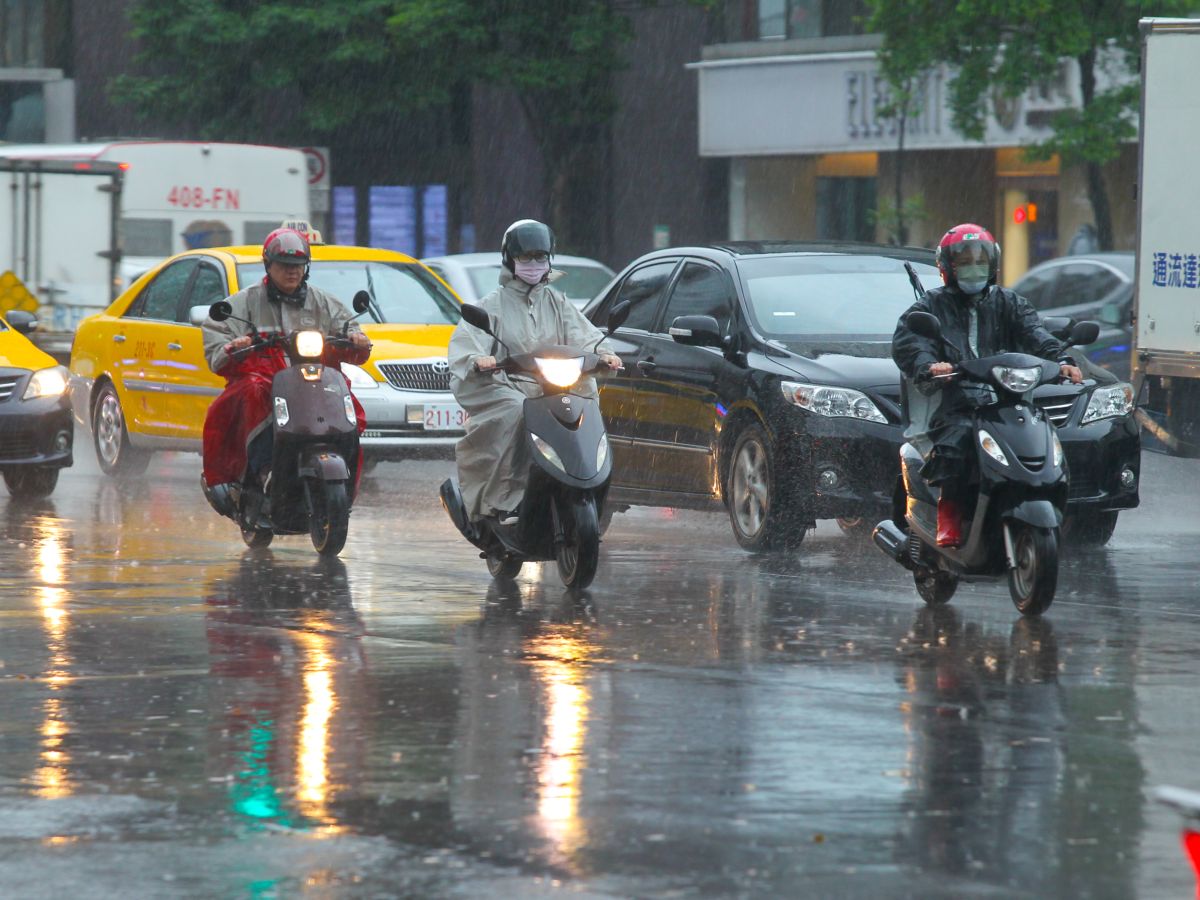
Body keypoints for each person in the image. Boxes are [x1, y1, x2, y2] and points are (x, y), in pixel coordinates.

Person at [892, 223, 1083, 548]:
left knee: (1043, 439)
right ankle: (949, 515)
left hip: (1009, 398)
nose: (973, 269)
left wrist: (1063, 361)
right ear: (947, 268)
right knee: (954, 446)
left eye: (979, 262)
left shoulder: (1010, 302)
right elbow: (912, 340)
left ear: (992, 265)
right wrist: (929, 365)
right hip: (957, 400)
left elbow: (1036, 334)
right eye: (964, 263)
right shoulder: (931, 305)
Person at [448, 219, 622, 524]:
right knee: (517, 412)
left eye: (540, 258)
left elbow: (586, 336)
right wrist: (479, 359)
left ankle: (590, 483)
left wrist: (605, 355)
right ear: (509, 260)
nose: (533, 265)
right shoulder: (494, 305)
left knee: (587, 399)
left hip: (554, 386)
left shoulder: (558, 303)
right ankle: (507, 499)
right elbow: (468, 343)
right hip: (510, 386)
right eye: (525, 258)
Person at [200, 227, 372, 516]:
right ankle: (264, 469)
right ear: (268, 264)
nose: (292, 272)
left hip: (315, 380)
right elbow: (217, 344)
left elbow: (352, 333)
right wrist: (236, 345)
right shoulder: (243, 303)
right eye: (284, 265)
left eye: (298, 266)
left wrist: (357, 340)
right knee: (252, 390)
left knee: (348, 402)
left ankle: (346, 482)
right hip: (266, 378)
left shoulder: (324, 302)